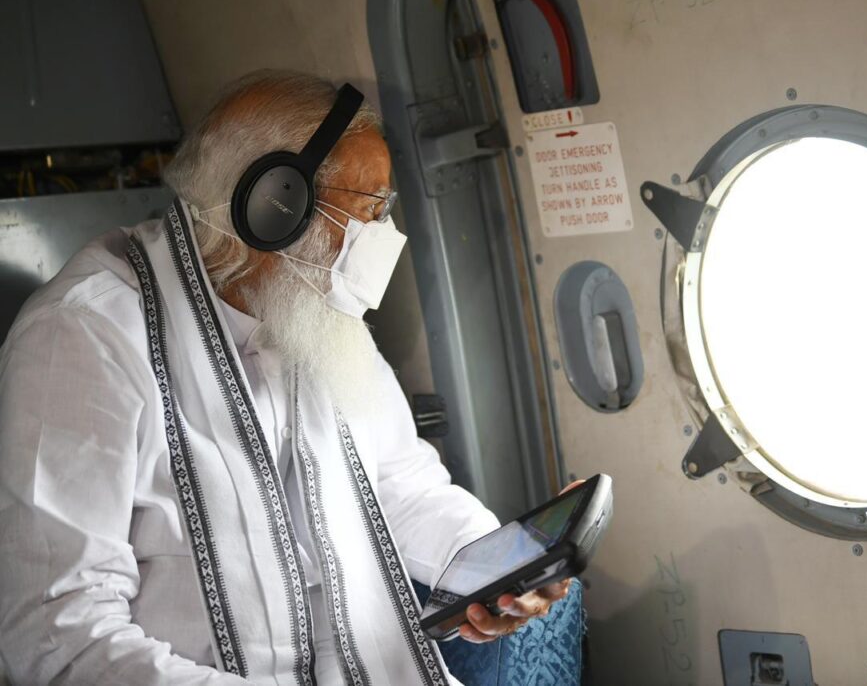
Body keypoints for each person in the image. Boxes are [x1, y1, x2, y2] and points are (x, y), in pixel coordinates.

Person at [0, 70, 572, 685]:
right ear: (275, 206)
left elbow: (401, 485)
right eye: (371, 208)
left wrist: (498, 568)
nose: (382, 236)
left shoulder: (313, 311)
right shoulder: (83, 336)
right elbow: (60, 635)